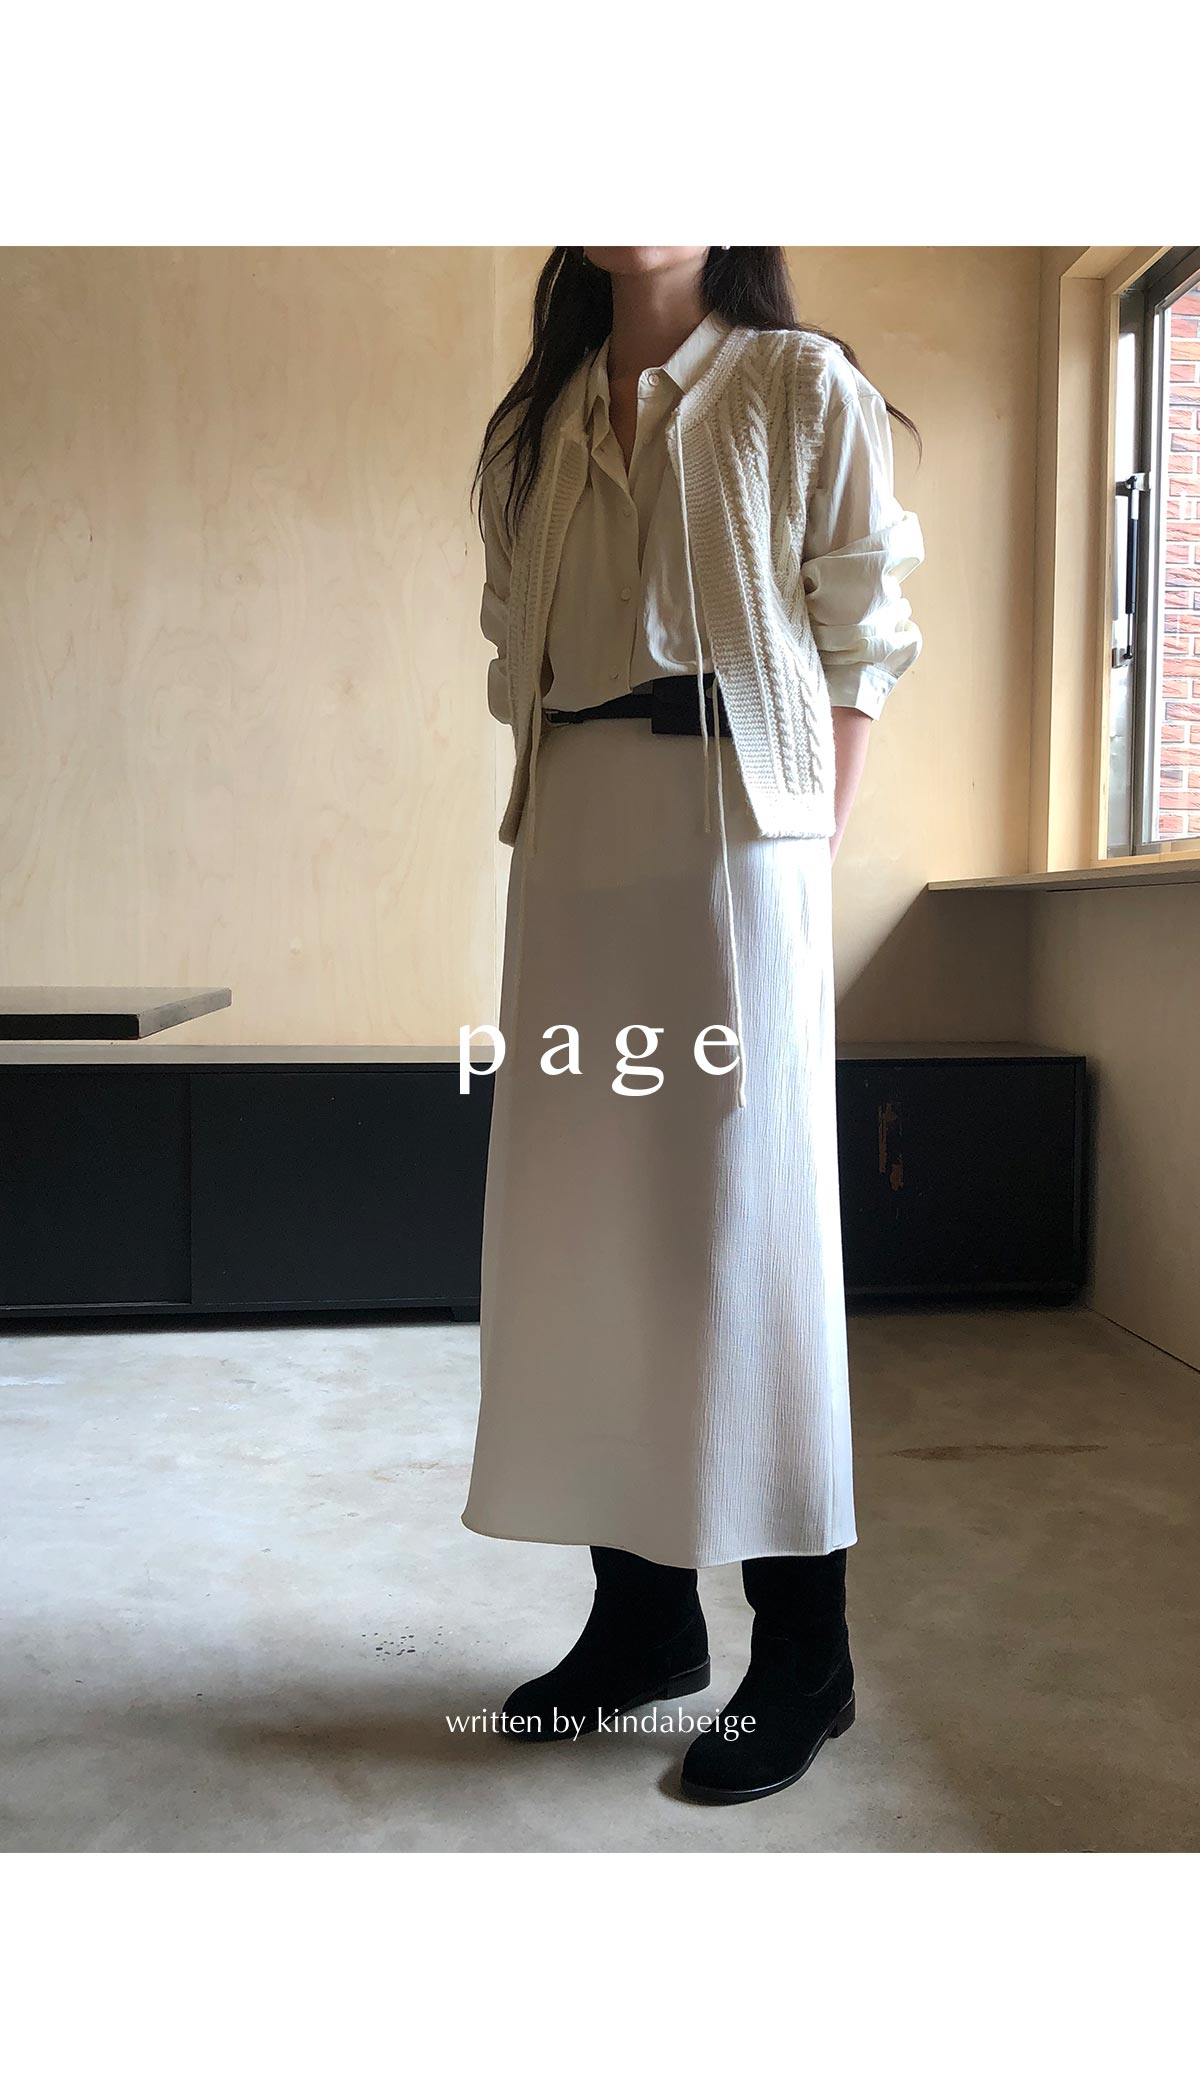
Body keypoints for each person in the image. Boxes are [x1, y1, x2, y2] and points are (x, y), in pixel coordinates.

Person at [462, 246, 924, 1804]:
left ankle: (805, 1654)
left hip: (738, 835)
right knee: (591, 1223)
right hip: (575, 843)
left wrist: (804, 850)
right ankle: (642, 1621)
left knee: (748, 1230)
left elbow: (863, 628)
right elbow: (512, 636)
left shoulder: (799, 385)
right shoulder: (542, 419)